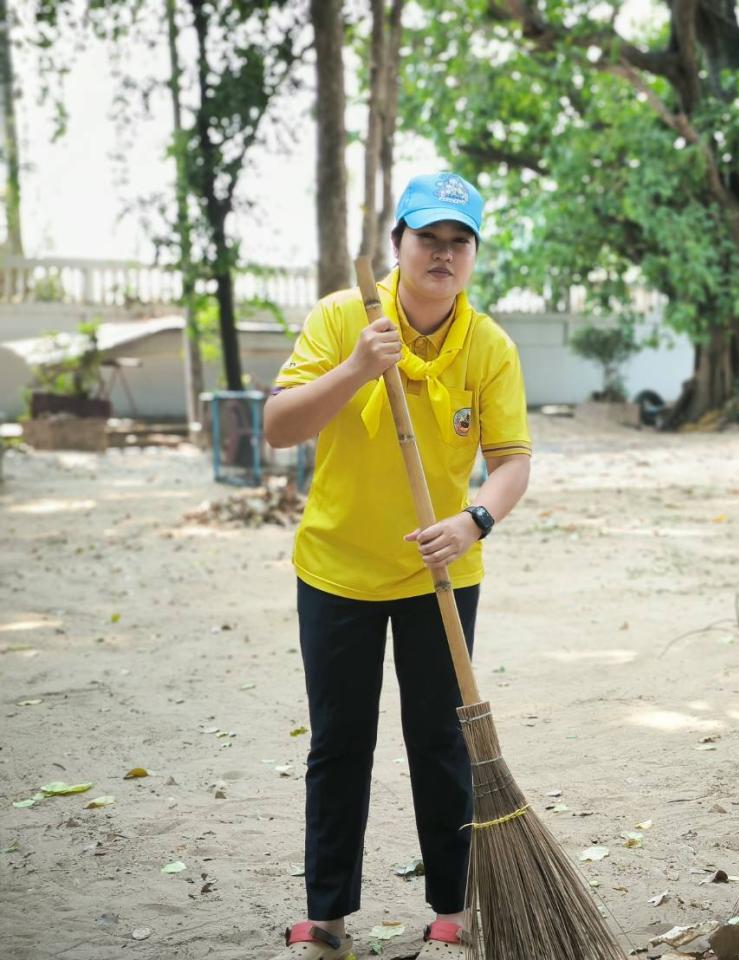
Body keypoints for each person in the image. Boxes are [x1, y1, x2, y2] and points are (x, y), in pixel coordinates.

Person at [263, 172, 532, 959]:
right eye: (428, 238)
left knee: (441, 743)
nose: (443, 254)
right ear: (398, 246)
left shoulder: (488, 346)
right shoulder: (342, 317)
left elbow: (513, 462)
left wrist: (475, 520)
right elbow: (279, 427)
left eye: (459, 242)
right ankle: (327, 920)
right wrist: (353, 368)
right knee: (339, 741)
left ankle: (451, 908)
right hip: (336, 570)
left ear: (473, 256)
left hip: (439, 577)